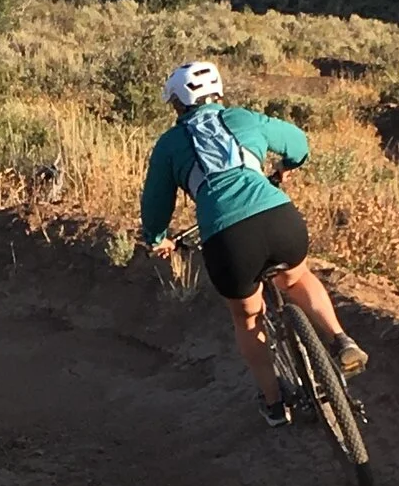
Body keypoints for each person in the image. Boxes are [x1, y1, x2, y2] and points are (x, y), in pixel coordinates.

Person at [139, 59, 368, 427]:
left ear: (178, 104)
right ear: (217, 93)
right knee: (297, 278)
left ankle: (275, 404)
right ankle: (341, 341)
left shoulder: (168, 145)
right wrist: (285, 167)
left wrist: (157, 238)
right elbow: (298, 142)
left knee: (247, 317)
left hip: (228, 240)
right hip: (279, 218)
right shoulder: (244, 118)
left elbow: (155, 204)